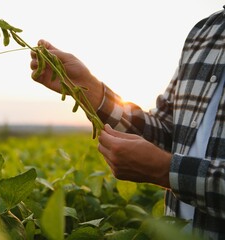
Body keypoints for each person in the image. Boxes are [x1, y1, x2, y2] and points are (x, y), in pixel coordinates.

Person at [30, 6, 225, 240]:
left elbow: (166, 160)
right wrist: (88, 88)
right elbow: (167, 133)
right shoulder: (204, 32)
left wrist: (164, 171)